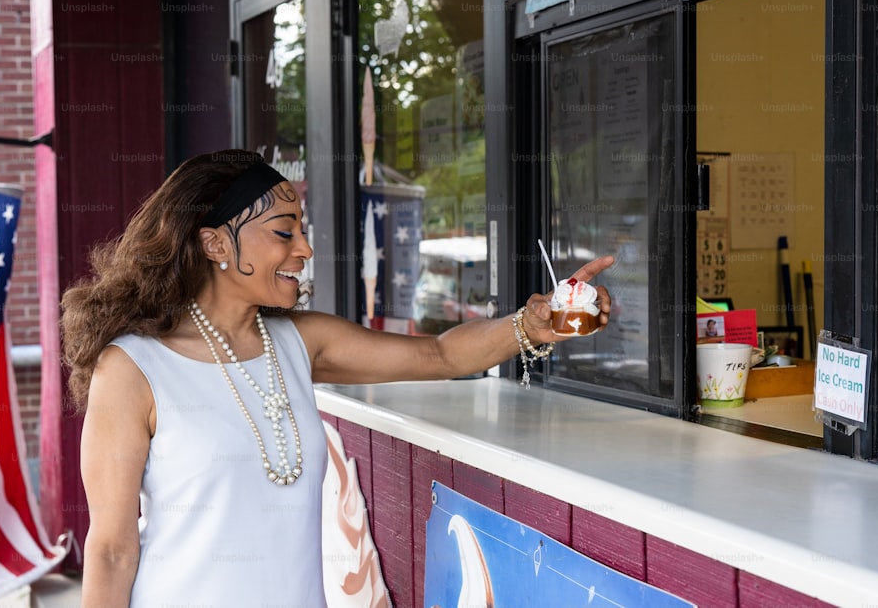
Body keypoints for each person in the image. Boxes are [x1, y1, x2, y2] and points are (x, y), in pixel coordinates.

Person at [61, 149, 614, 607]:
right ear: (215, 244)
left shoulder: (298, 342)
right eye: (284, 232)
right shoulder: (132, 368)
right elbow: (111, 549)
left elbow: (439, 357)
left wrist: (534, 324)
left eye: (301, 230)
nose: (304, 249)